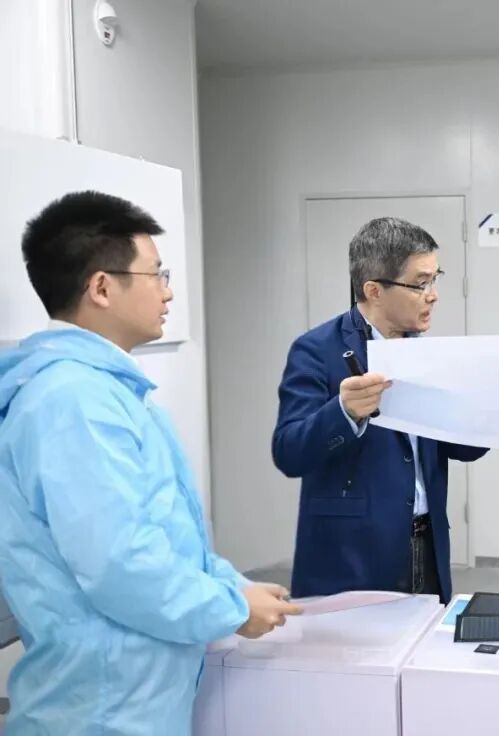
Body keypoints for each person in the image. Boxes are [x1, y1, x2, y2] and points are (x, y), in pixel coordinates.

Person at [0, 191, 301, 735]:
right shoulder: (72, 402)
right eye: (156, 274)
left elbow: (166, 534)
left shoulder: (109, 392)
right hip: (99, 710)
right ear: (101, 288)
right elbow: (120, 564)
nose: (168, 292)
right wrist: (231, 608)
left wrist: (231, 585)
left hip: (133, 697)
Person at [273, 217, 487, 603]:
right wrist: (344, 412)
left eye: (435, 279)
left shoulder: (430, 354)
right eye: (421, 284)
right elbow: (289, 453)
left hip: (427, 546)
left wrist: (484, 407)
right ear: (374, 290)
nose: (434, 295)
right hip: (352, 555)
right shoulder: (316, 350)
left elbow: (464, 449)